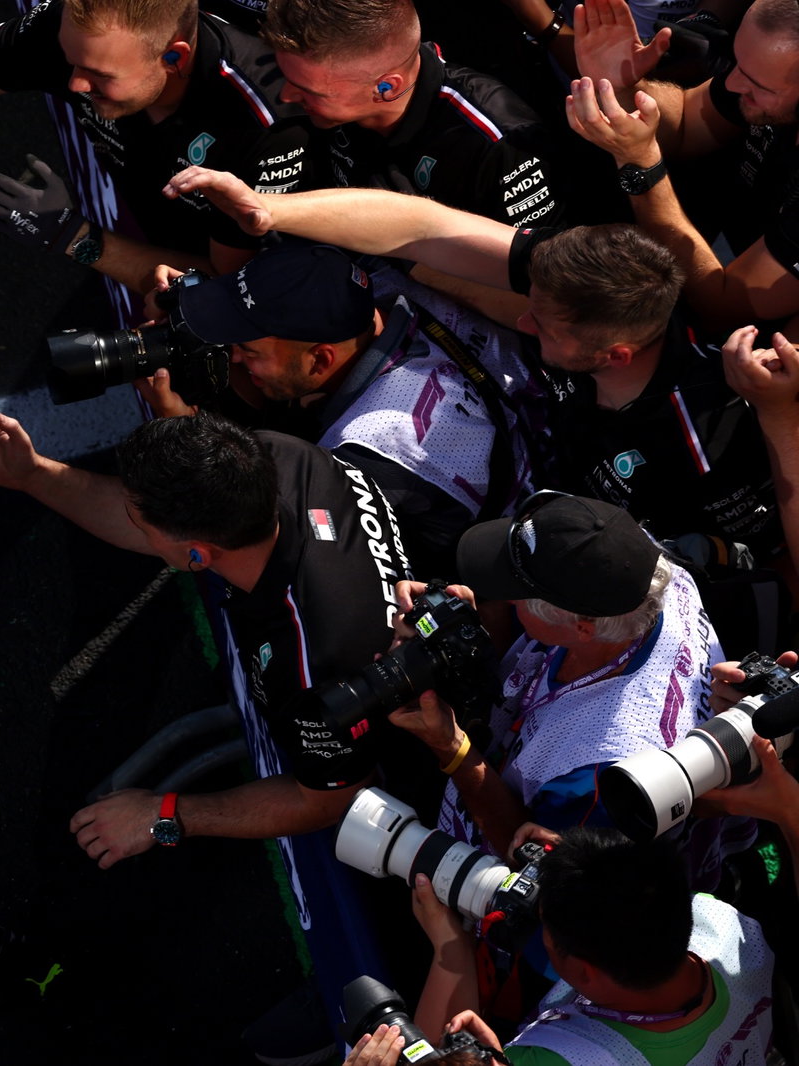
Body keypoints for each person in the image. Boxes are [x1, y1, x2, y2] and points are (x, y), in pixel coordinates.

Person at [157, 170, 789, 650]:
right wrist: (270, 211)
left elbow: (779, 565)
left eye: (542, 324)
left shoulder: (711, 438)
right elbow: (425, 226)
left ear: (615, 354)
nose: (521, 318)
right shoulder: (587, 287)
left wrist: (781, 422)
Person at [0, 407, 416, 866]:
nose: (133, 519)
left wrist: (165, 815)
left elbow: (331, 800)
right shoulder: (273, 457)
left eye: (143, 521)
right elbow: (145, 522)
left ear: (197, 556)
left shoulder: (315, 663)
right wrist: (30, 473)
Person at [0, 0, 320, 293]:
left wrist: (73, 237)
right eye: (70, 62)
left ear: (174, 57)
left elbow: (225, 283)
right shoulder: (87, 35)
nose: (75, 85)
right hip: (149, 216)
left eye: (99, 76)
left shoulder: (262, 125)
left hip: (229, 268)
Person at [385, 493, 733, 894]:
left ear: (582, 628)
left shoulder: (609, 771)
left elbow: (528, 859)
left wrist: (450, 747)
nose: (507, 597)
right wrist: (465, 623)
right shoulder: (636, 562)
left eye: (517, 593)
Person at [141, 239, 543, 574]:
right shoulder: (368, 282)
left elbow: (258, 543)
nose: (235, 358)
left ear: (320, 360)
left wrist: (186, 435)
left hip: (476, 566)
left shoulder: (374, 447)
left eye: (247, 349)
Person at [411, 826, 775, 1066]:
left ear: (583, 971)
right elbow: (632, 892)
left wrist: (450, 948)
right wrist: (581, 863)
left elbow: (428, 1059)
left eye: (547, 933)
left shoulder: (557, 1060)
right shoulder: (729, 929)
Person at [567, 0, 799, 331]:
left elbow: (721, 306)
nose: (732, 84)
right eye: (738, 64)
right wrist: (620, 83)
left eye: (758, 86)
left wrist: (641, 168)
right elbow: (689, 120)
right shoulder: (760, 75)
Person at [261, 0, 585, 228]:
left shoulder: (496, 144)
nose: (286, 96)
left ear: (386, 87)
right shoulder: (327, 100)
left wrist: (412, 264)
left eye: (308, 90)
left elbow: (545, 281)